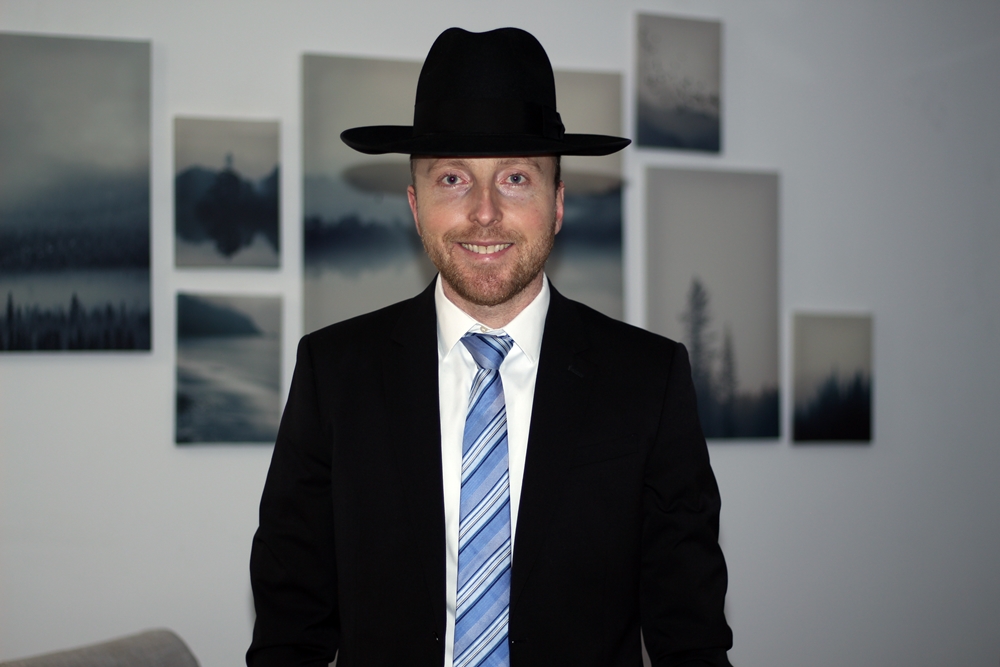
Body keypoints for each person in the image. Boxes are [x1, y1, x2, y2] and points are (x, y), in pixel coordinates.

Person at [247, 27, 733, 667]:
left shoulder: (648, 380)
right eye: (452, 178)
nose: (483, 212)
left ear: (556, 203)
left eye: (515, 177)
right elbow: (289, 634)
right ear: (415, 205)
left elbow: (691, 641)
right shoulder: (334, 374)